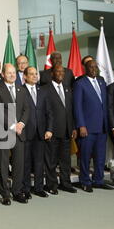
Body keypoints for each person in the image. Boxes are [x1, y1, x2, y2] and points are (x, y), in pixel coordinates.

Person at [0, 63, 29, 205]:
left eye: (14, 72)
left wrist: (21, 124)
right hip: (5, 132)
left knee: (19, 164)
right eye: (9, 73)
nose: (12, 75)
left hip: (20, 132)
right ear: (2, 74)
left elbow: (27, 109)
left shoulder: (21, 89)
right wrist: (13, 126)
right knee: (3, 164)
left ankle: (17, 191)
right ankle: (5, 194)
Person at [73, 60, 112, 192]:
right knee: (85, 156)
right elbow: (77, 107)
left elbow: (104, 105)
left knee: (100, 156)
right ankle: (85, 181)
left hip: (102, 126)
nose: (94, 69)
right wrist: (81, 126)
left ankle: (98, 180)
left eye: (95, 67)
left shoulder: (101, 82)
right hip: (87, 128)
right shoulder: (80, 84)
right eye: (91, 67)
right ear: (85, 68)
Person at [45, 64, 77, 195]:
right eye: (57, 72)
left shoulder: (68, 88)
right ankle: (51, 185)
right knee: (51, 160)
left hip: (67, 131)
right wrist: (48, 129)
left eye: (62, 72)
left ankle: (66, 183)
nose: (60, 74)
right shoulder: (45, 89)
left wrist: (73, 127)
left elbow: (70, 110)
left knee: (65, 160)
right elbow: (45, 112)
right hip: (52, 131)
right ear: (52, 74)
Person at [22, 66, 54, 198]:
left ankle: (39, 187)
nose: (35, 76)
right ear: (25, 76)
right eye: (31, 74)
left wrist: (49, 129)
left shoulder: (43, 91)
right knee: (26, 162)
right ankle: (26, 189)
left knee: (39, 161)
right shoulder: (20, 90)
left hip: (41, 132)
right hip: (26, 132)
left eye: (36, 74)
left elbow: (49, 112)